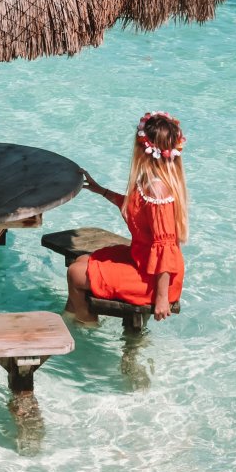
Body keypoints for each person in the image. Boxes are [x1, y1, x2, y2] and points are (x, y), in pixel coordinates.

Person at [65, 111, 188, 325]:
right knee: (80, 261)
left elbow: (165, 246)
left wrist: (161, 298)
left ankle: (87, 328)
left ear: (143, 148)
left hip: (157, 280)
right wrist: (102, 191)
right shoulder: (150, 181)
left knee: (75, 274)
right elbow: (135, 207)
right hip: (143, 262)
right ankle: (71, 319)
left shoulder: (159, 190)